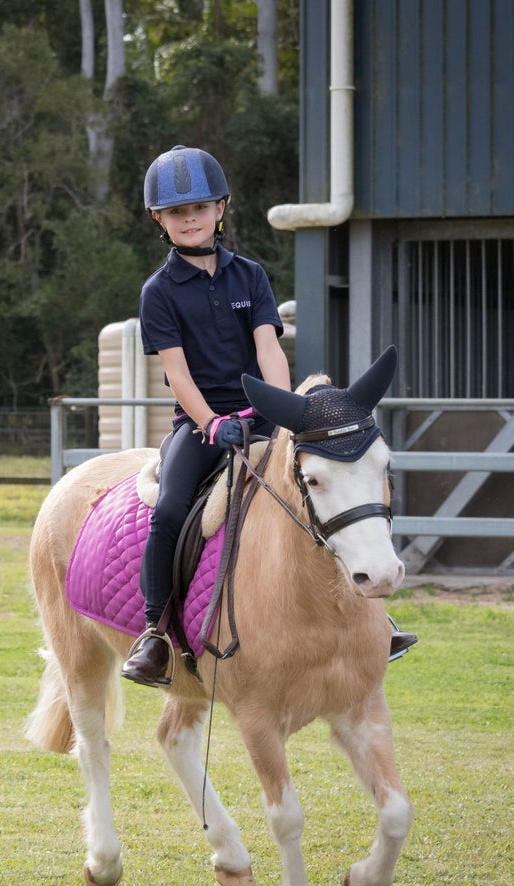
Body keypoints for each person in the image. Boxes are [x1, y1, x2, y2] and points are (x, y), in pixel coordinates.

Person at [119, 144, 291, 687]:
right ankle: (153, 634)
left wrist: (281, 411)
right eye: (175, 212)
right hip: (200, 424)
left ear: (222, 208)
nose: (188, 219)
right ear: (158, 220)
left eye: (198, 207)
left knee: (325, 487)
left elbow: (268, 349)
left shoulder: (252, 277)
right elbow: (178, 374)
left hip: (262, 416)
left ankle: (370, 616)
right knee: (169, 509)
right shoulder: (158, 292)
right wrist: (213, 423)